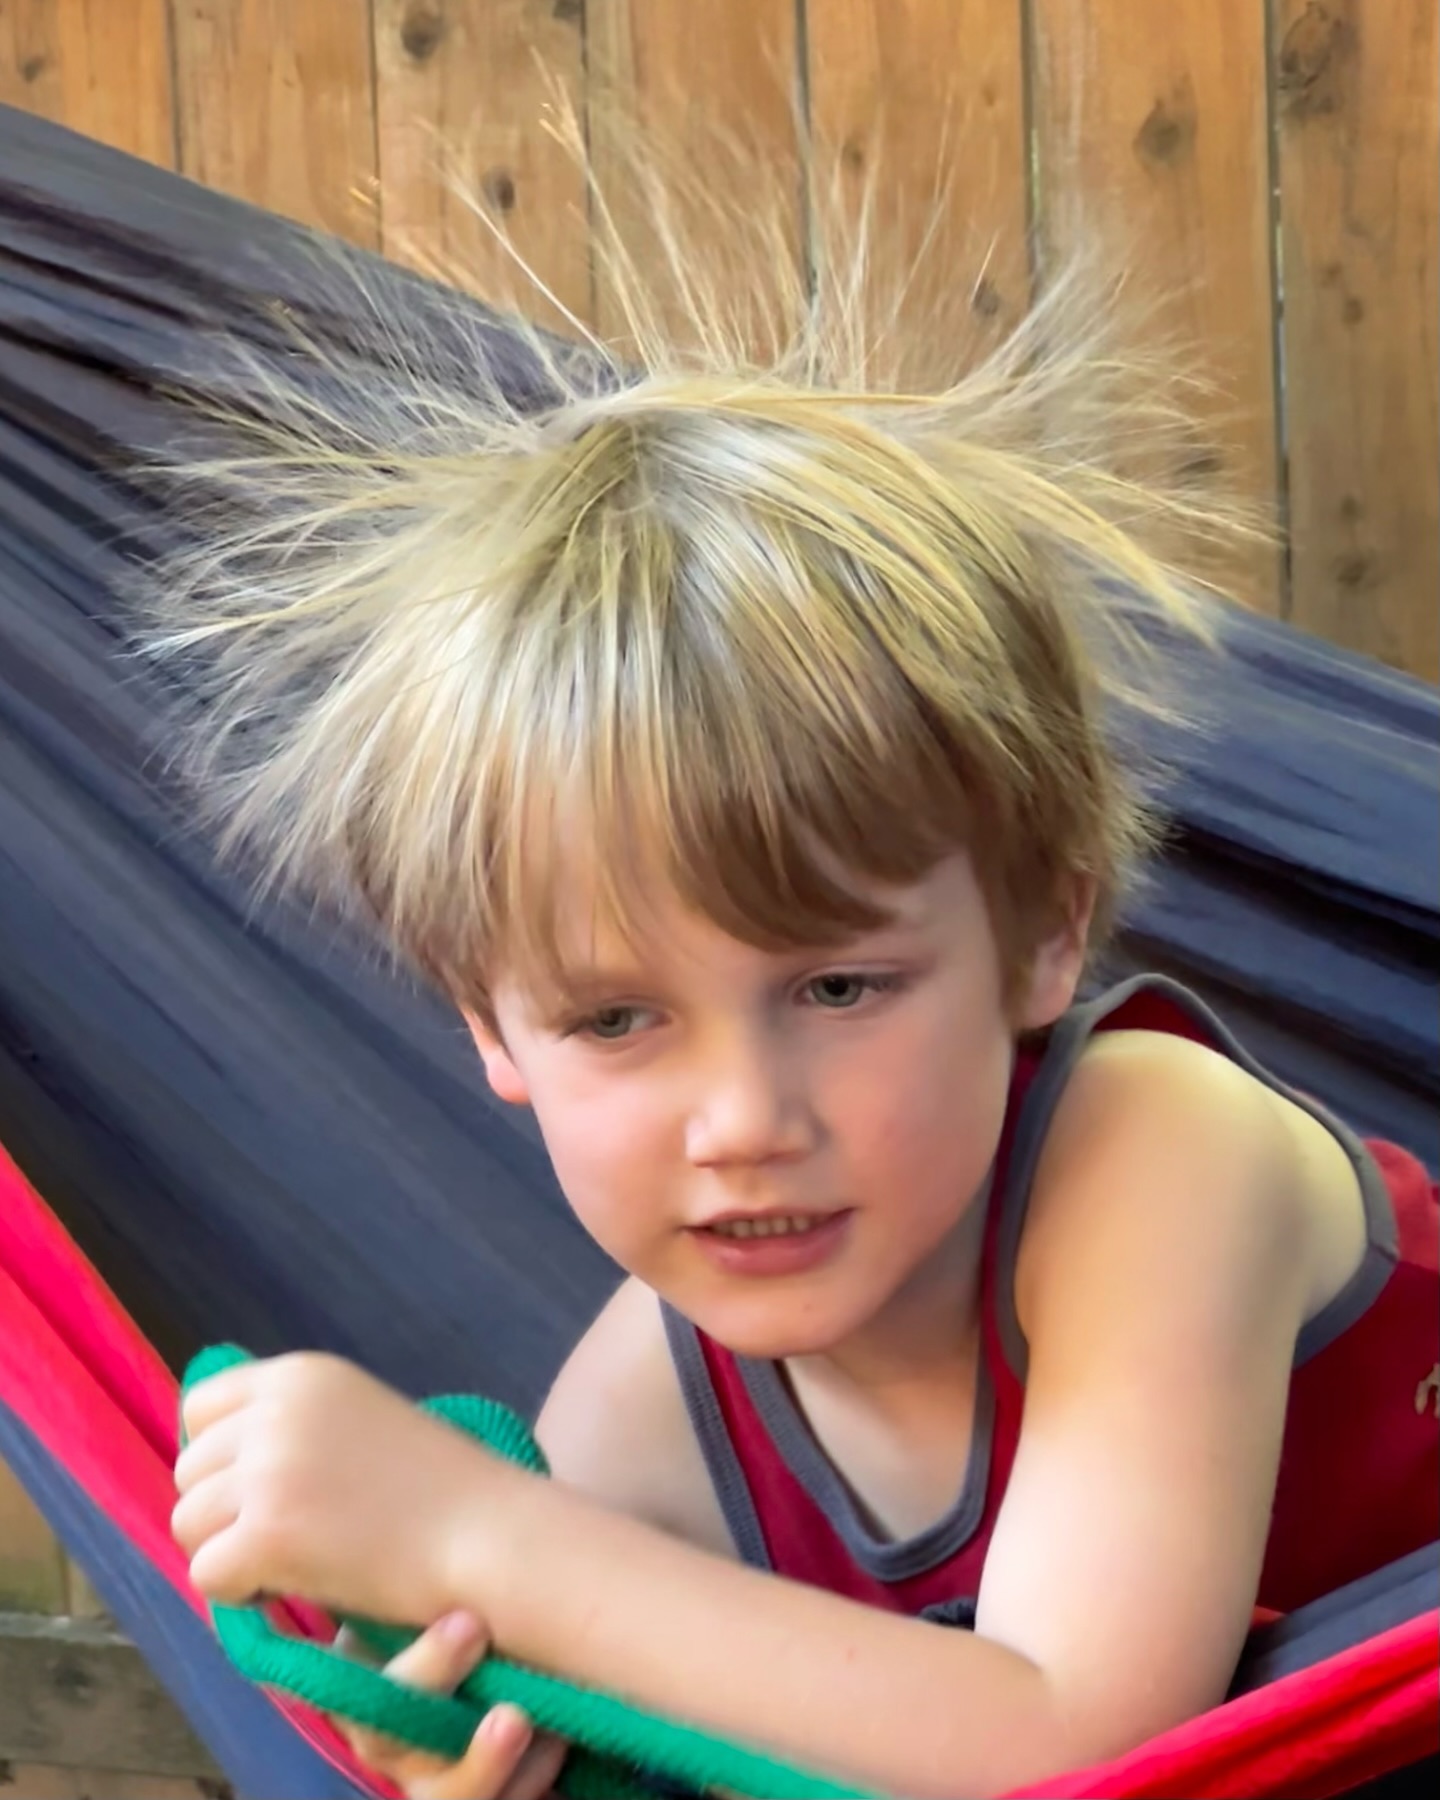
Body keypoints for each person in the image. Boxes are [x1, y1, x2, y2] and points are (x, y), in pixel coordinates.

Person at [161, 156, 1438, 1800]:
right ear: (490, 1026)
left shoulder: (1156, 1155)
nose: (744, 1121)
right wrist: (500, 1739)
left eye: (838, 989)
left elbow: (1078, 1741)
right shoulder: (645, 1413)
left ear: (1048, 931)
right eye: (617, 1020)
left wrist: (485, 1536)